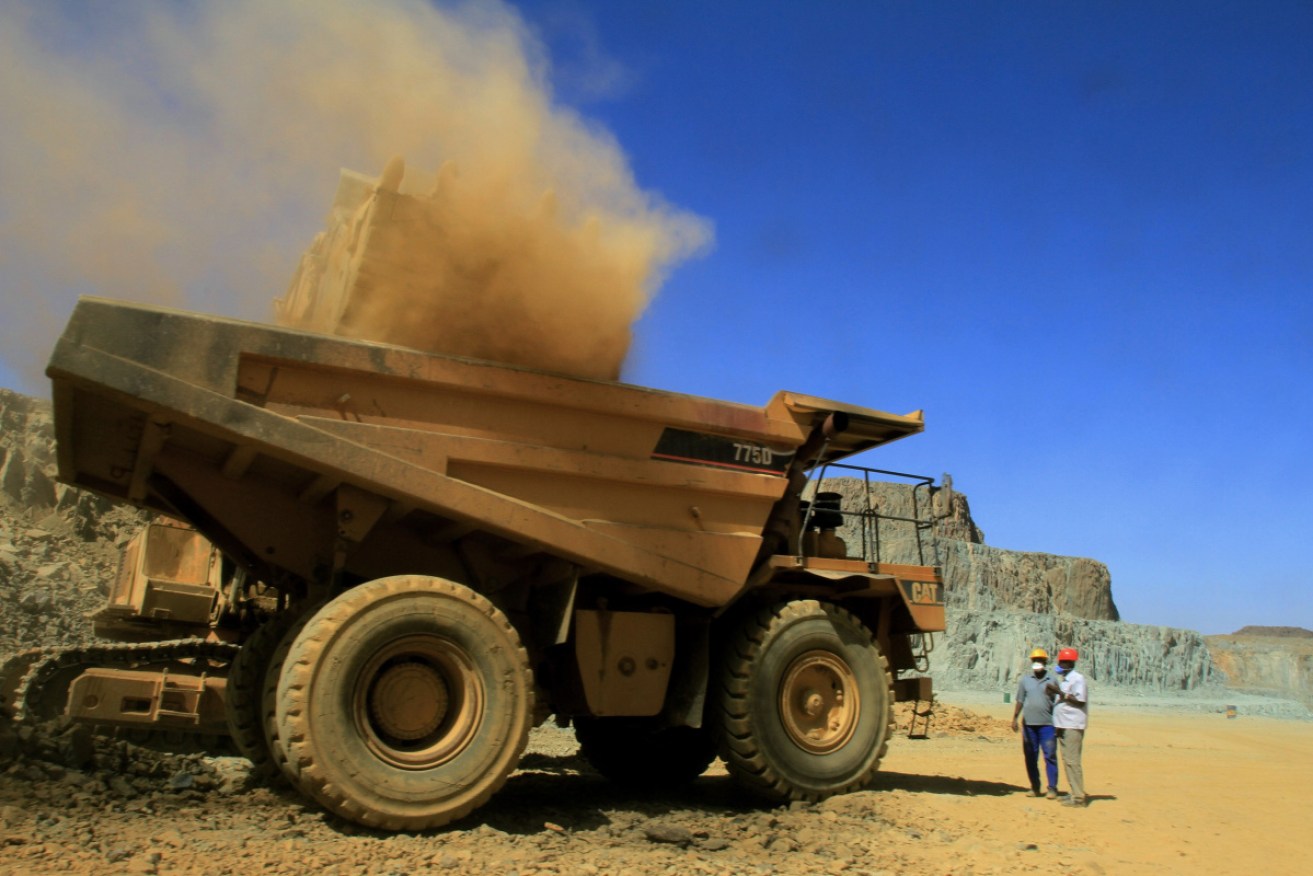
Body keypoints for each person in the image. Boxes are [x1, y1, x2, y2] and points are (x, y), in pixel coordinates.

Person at [1010, 647, 1060, 798]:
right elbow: (1020, 700)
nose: (1037, 663)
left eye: (1040, 660)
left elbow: (1059, 702)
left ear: (1045, 662)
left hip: (1047, 725)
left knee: (1050, 755)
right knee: (1031, 756)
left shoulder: (1052, 681)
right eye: (1035, 660)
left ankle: (1052, 788)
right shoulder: (1026, 681)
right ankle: (1035, 787)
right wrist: (1015, 718)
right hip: (1029, 725)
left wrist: (1058, 723)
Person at [1048, 646, 1089, 807]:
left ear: (1068, 663)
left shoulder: (1077, 679)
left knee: (1073, 761)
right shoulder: (1066, 680)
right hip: (1064, 725)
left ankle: (1079, 798)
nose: (1059, 664)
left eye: (1062, 662)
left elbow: (1080, 700)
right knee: (1067, 760)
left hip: (1073, 725)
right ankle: (1073, 793)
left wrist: (1059, 692)